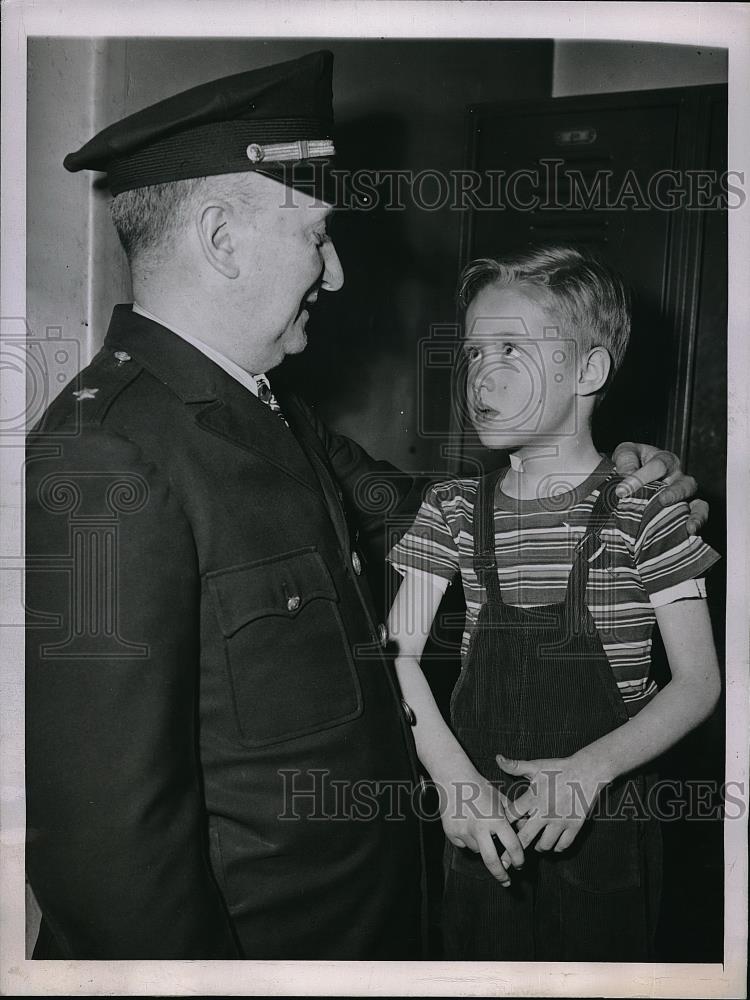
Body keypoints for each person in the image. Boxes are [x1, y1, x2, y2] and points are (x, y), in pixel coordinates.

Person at [25, 51, 705, 961]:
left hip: (382, 915)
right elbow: (102, 852)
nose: (337, 274)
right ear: (222, 239)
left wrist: (599, 479)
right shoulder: (107, 452)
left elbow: (426, 510)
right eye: (317, 235)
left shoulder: (272, 414)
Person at [386, 246, 721, 961]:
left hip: (606, 833)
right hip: (481, 828)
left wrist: (591, 771)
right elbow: (396, 653)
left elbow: (699, 682)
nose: (482, 376)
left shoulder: (645, 510)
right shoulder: (450, 507)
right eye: (475, 353)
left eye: (512, 349)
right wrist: (454, 781)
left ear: (589, 372)